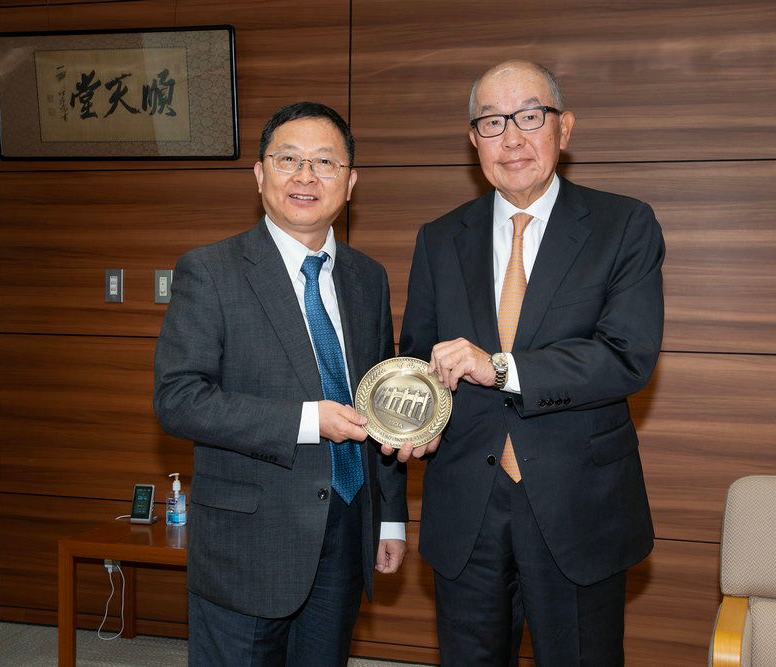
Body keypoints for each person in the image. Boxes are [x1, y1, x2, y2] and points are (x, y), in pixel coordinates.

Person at [389, 61, 665, 665]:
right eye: (492, 122)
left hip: (578, 502)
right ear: (474, 140)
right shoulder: (440, 238)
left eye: (529, 117)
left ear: (564, 128)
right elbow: (418, 355)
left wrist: (500, 368)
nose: (511, 138)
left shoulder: (623, 225)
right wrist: (412, 417)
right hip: (467, 505)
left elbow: (626, 356)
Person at [154, 101, 408, 667]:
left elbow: (381, 399)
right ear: (259, 173)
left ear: (351, 182)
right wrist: (309, 420)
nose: (305, 176)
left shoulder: (368, 278)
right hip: (249, 541)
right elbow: (178, 400)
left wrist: (389, 517)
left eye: (325, 162)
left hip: (346, 529)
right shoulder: (210, 270)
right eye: (288, 159)